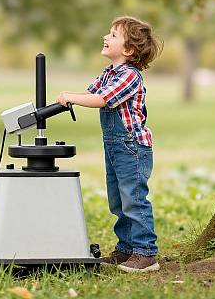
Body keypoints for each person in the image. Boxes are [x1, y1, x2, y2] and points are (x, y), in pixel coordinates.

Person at [56, 16, 162, 273]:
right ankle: (126, 249)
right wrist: (67, 98)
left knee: (134, 198)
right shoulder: (109, 73)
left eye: (113, 35)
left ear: (128, 50)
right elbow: (90, 93)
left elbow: (102, 99)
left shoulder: (130, 76)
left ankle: (146, 253)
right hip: (115, 147)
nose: (106, 37)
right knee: (118, 200)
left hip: (131, 147)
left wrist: (72, 97)